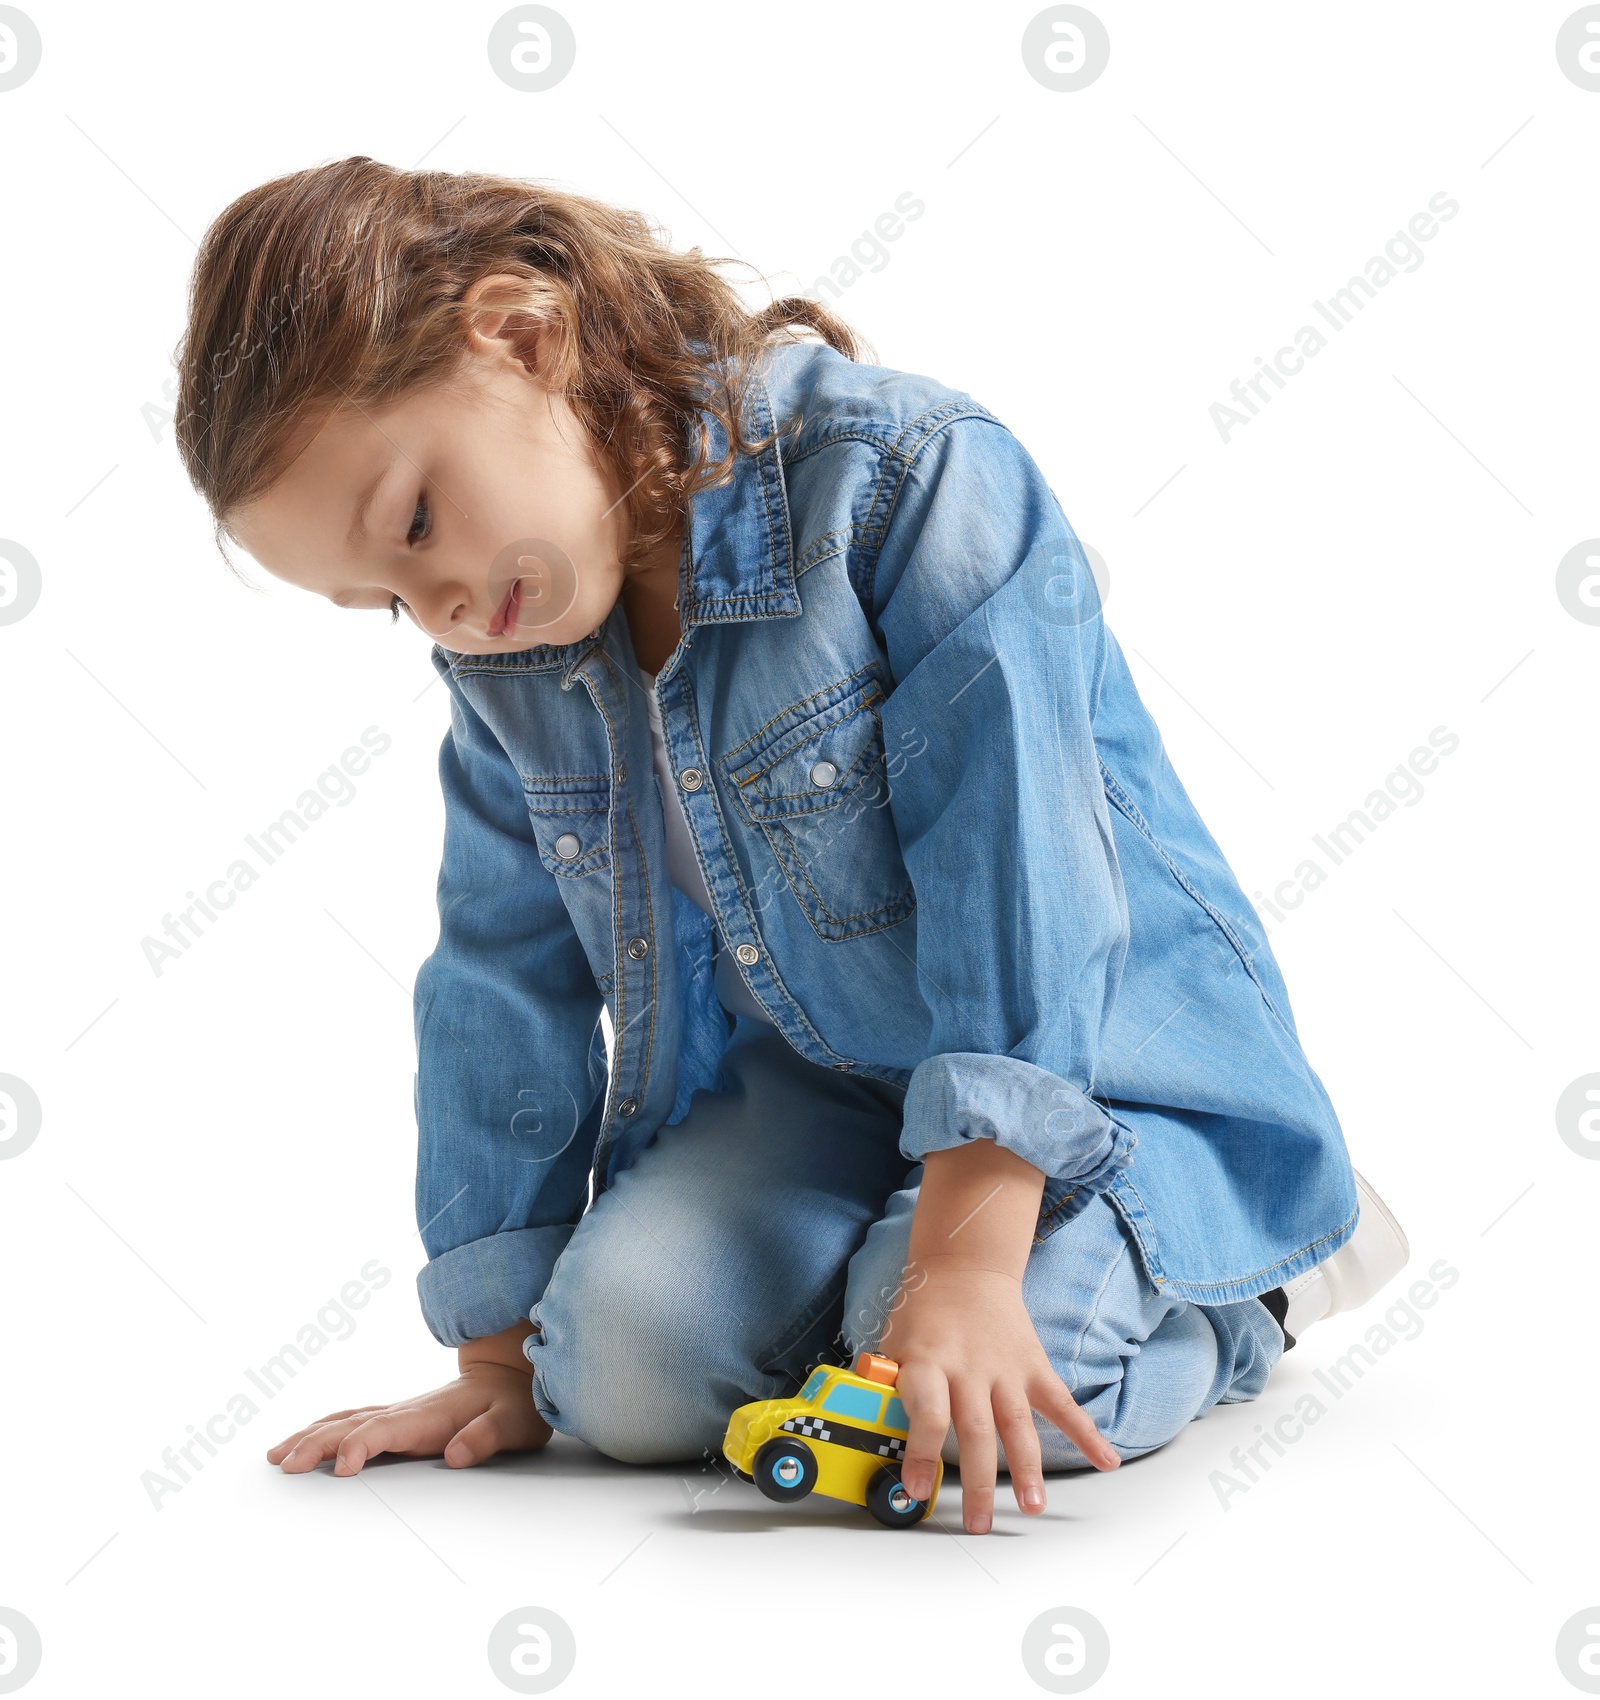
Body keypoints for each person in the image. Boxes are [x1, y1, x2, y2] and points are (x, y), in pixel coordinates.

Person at [174, 156, 1407, 1536]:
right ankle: (884, 1283)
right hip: (823, 1090)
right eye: (388, 603)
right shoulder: (512, 651)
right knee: (625, 1381)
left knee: (990, 1391)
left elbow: (1022, 874)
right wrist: (502, 1356)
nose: (447, 609)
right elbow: (497, 967)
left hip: (1094, 1071)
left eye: (414, 522)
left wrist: (965, 1266)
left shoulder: (907, 478)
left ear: (523, 337)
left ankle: (1251, 1273)